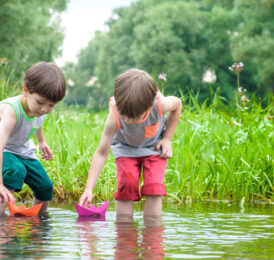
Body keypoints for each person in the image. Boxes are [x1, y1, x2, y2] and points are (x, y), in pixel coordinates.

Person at [79, 68, 182, 217]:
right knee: (127, 185)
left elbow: (177, 105)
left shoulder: (160, 104)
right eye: (124, 115)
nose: (127, 120)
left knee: (154, 186)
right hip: (125, 148)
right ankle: (124, 233)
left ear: (149, 106)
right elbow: (101, 153)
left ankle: (152, 233)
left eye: (134, 117)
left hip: (153, 147)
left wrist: (167, 138)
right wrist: (89, 189)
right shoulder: (115, 113)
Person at [0, 62, 66, 215]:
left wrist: (41, 142)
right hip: (4, 149)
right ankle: (1, 224)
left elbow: (37, 121)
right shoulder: (11, 112)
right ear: (25, 90)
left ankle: (38, 222)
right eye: (40, 102)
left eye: (51, 105)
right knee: (15, 170)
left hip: (22, 150)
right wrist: (0, 184)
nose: (44, 109)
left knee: (45, 186)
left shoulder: (40, 110)